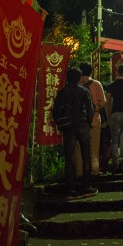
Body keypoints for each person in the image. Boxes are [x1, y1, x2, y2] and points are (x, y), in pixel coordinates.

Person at [52, 67, 97, 198]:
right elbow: (90, 109)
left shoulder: (62, 92)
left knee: (69, 158)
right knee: (86, 156)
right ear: (79, 78)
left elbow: (55, 111)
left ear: (67, 77)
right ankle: (87, 186)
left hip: (68, 128)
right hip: (83, 125)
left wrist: (61, 123)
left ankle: (71, 188)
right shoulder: (84, 91)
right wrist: (89, 123)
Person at [75, 62, 107, 177]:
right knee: (94, 147)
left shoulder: (76, 84)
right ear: (91, 71)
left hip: (79, 121)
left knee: (79, 147)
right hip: (94, 119)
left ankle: (79, 172)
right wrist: (96, 107)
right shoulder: (96, 84)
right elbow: (103, 102)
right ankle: (94, 171)